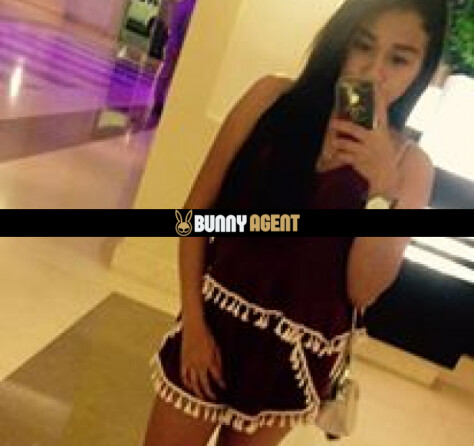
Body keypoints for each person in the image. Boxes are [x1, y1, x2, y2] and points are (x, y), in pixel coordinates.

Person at [144, 0, 448, 445]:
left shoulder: (410, 166)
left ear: (420, 70)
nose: (374, 71)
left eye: (399, 59)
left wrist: (384, 190)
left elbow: (363, 290)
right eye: (363, 45)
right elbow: (196, 215)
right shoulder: (271, 99)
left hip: (294, 358)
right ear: (341, 39)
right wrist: (192, 323)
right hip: (212, 323)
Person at [151, 0, 196, 118]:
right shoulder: (191, 6)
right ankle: (160, 103)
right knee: (169, 75)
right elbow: (179, 28)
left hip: (175, 45)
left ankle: (159, 102)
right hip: (177, 47)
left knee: (167, 75)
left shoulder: (184, 5)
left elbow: (173, 26)